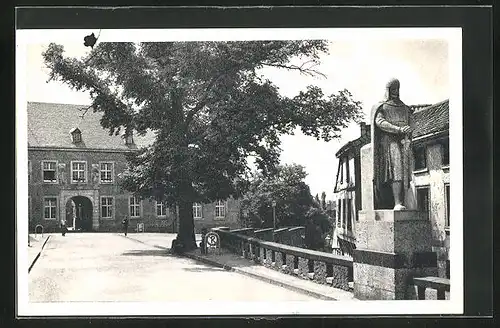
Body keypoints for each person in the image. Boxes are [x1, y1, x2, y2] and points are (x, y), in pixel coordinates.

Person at [370, 78, 413, 210]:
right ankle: (397, 202)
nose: (395, 92)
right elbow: (380, 122)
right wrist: (398, 129)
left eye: (397, 89)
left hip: (403, 142)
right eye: (393, 89)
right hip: (388, 143)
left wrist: (409, 128)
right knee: (397, 171)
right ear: (388, 90)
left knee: (405, 172)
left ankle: (402, 201)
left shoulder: (405, 108)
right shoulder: (381, 106)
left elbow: (411, 121)